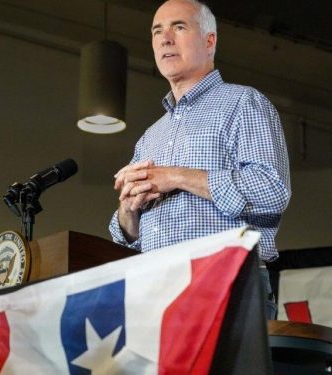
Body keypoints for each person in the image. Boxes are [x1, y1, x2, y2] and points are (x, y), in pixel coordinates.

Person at [109, 0, 290, 319]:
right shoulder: (150, 137)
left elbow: (270, 192)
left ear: (210, 41)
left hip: (227, 286)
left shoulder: (244, 104)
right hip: (156, 296)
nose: (165, 38)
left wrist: (177, 177)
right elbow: (129, 239)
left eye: (178, 27)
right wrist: (127, 210)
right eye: (156, 31)